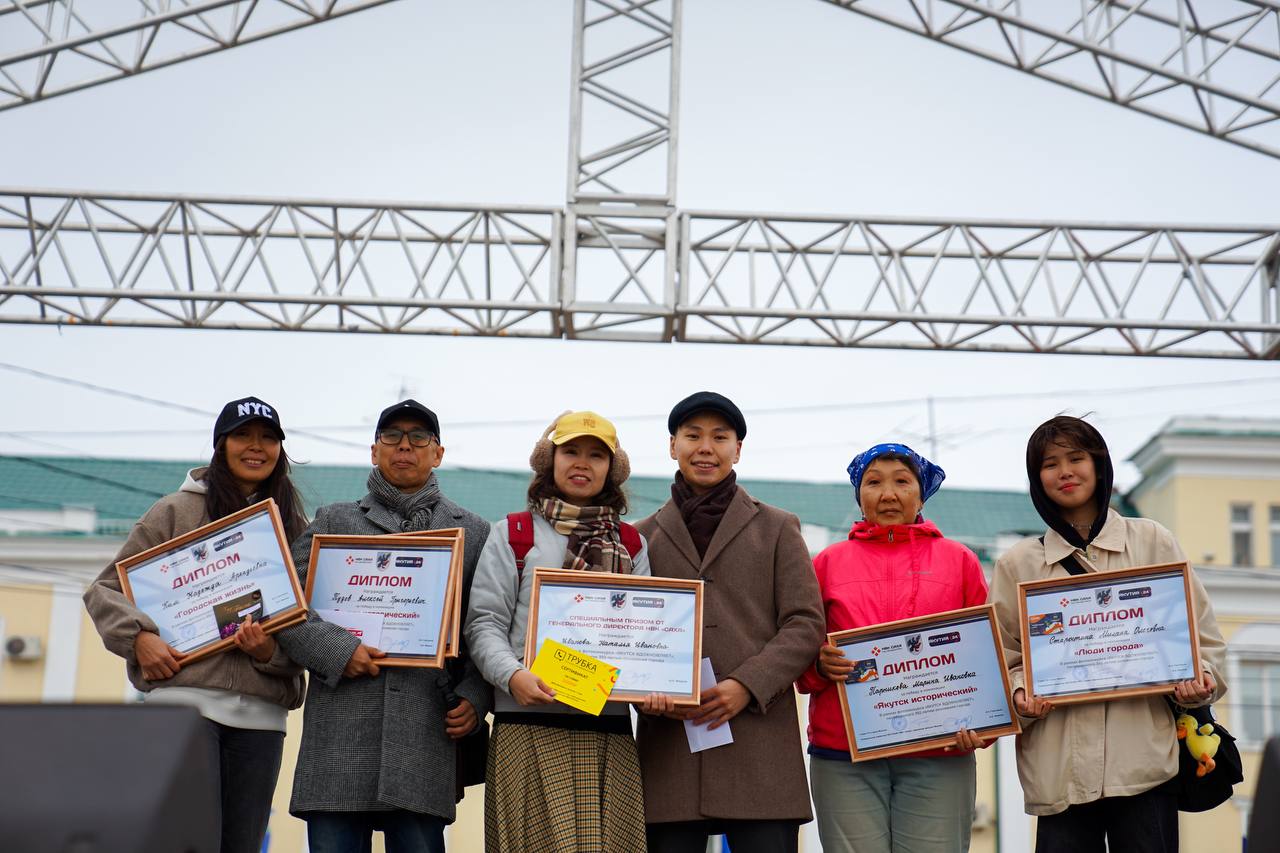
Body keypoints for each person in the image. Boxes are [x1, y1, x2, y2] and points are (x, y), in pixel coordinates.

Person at [989, 415, 1227, 853]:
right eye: (1049, 463)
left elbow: (1203, 640)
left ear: (1099, 465)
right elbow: (1004, 660)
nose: (1064, 471)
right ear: (1035, 478)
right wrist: (1022, 693)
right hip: (1058, 770)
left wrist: (1201, 682)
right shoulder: (1018, 563)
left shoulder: (1152, 541)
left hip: (1144, 766)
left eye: (1076, 458)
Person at [84, 396, 308, 853]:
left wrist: (271, 653)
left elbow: (309, 624)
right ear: (221, 445)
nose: (256, 447)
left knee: (241, 845)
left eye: (268, 439)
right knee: (182, 841)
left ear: (280, 452)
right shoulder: (174, 511)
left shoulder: (294, 527)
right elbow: (104, 590)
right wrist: (140, 637)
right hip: (185, 707)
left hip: (263, 719)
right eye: (243, 435)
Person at [274, 399, 492, 853]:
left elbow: (488, 626)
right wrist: (338, 650)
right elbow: (283, 602)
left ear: (438, 453)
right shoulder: (334, 520)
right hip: (339, 738)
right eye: (392, 437)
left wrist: (475, 696)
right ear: (375, 451)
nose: (404, 447)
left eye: (418, 438)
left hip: (425, 734)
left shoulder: (473, 531)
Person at [634, 392, 825, 853]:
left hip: (758, 743)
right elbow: (626, 635)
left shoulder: (779, 526)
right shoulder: (639, 537)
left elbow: (805, 622)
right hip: (671, 747)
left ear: (737, 449)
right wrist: (645, 694)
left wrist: (747, 684)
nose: (706, 447)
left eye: (720, 437)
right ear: (672, 445)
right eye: (693, 435)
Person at [465, 410, 651, 853]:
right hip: (524, 723)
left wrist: (655, 687)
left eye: (595, 455)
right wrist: (513, 677)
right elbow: (484, 623)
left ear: (612, 469)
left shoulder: (633, 543)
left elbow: (646, 636)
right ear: (549, 460)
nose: (582, 463)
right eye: (571, 451)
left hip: (607, 729)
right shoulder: (514, 534)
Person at [796, 442, 989, 853]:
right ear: (858, 495)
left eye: (902, 481)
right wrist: (819, 663)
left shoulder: (960, 561)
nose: (888, 494)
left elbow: (985, 655)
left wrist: (983, 728)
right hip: (843, 752)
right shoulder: (826, 563)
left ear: (921, 493)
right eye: (874, 482)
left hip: (940, 750)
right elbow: (800, 652)